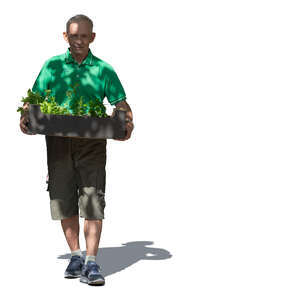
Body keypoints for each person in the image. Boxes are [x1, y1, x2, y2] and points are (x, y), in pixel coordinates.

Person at [19, 14, 134, 286]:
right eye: (74, 36)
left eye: (84, 36)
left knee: (93, 200)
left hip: (93, 144)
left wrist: (127, 125)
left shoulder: (104, 70)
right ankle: (75, 256)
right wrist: (25, 118)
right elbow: (33, 99)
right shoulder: (53, 66)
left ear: (92, 37)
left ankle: (92, 263)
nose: (79, 40)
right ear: (65, 37)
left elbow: (122, 105)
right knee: (63, 197)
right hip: (58, 141)